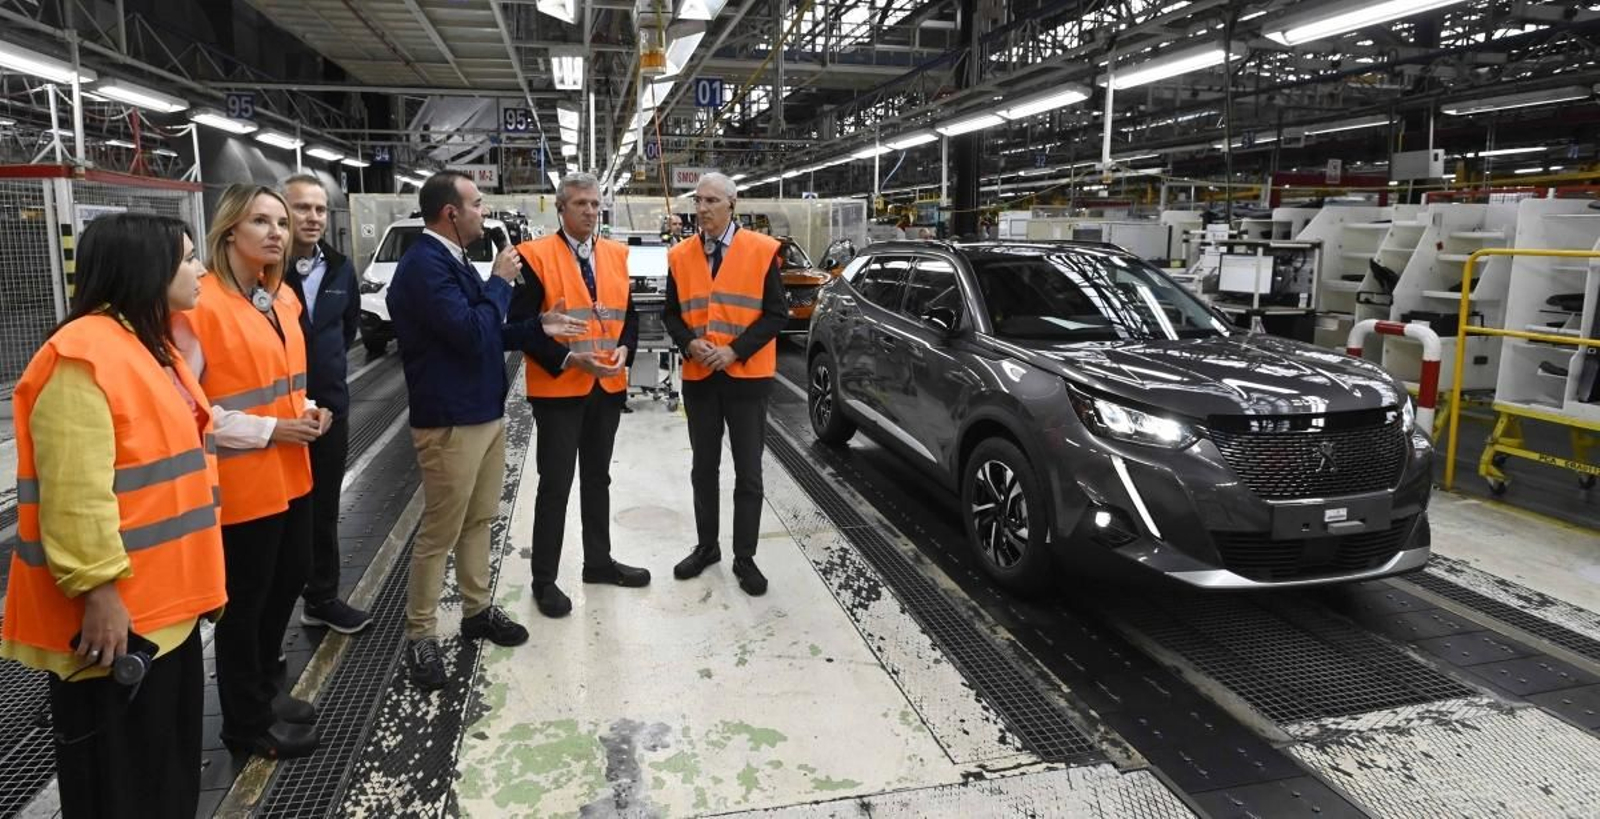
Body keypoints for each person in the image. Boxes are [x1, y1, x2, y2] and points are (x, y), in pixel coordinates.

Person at [1, 214, 227, 818]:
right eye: (185, 259)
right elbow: (75, 495)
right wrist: (99, 592)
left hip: (165, 611)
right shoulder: (82, 357)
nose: (200, 269)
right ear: (144, 269)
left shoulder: (149, 347)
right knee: (123, 790)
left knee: (165, 778)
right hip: (118, 623)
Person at [386, 171, 582, 690]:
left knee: (479, 521)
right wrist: (498, 280)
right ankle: (421, 633)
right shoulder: (424, 268)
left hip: (482, 413)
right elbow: (473, 333)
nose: (484, 211)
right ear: (451, 213)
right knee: (439, 533)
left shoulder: (452, 262)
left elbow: (490, 330)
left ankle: (476, 611)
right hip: (451, 420)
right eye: (476, 203)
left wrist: (538, 327)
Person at [184, 184, 325, 758]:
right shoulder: (200, 306)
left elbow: (285, 381)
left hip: (291, 472)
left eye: (281, 223)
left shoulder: (278, 297)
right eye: (261, 222)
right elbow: (189, 409)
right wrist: (271, 430)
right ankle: (245, 721)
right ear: (228, 234)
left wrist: (311, 408)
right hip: (241, 484)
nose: (276, 232)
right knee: (246, 605)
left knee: (289, 580)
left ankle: (265, 690)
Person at [507, 173, 649, 618]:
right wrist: (570, 361)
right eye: (582, 204)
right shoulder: (534, 258)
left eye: (595, 204)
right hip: (560, 390)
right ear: (561, 208)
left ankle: (598, 562)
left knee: (598, 479)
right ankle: (544, 580)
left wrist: (627, 347)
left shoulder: (615, 254)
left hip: (605, 388)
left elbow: (626, 314)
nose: (591, 211)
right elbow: (523, 330)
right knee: (555, 484)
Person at [664, 172, 788, 596]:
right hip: (700, 378)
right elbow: (671, 314)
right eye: (698, 201)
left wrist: (736, 350)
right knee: (703, 469)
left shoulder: (761, 250)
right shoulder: (680, 256)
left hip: (746, 378)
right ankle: (707, 547)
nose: (702, 209)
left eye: (711, 201)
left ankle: (745, 557)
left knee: (749, 472)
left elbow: (776, 314)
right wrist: (689, 342)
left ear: (732, 204)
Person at [281, 174, 373, 634]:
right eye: (301, 208)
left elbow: (348, 325)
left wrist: (329, 384)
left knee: (323, 507)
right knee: (278, 517)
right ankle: (269, 621)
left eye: (319, 209)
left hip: (329, 410)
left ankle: (321, 597)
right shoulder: (264, 270)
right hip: (276, 416)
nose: (313, 217)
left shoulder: (339, 268)